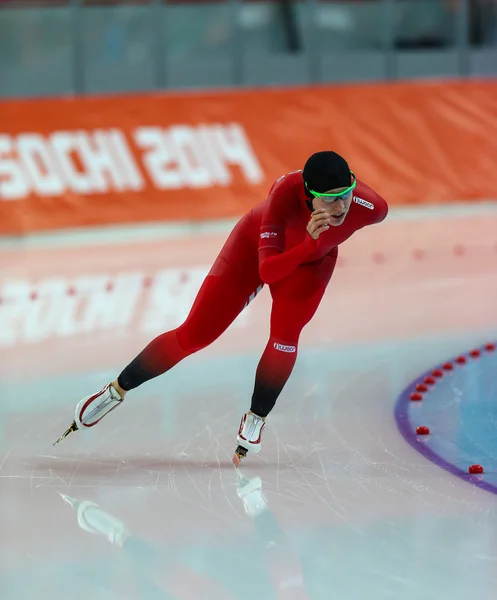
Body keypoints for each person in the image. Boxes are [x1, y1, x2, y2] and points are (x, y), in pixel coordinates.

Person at [54, 151, 388, 466]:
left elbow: (354, 211)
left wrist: (314, 248)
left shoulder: (372, 207)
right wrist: (308, 244)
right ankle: (115, 391)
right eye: (329, 198)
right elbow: (267, 270)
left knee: (286, 336)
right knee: (194, 335)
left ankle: (256, 417)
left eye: (345, 194)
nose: (340, 206)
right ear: (307, 195)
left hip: (311, 261)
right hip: (257, 249)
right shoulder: (284, 197)